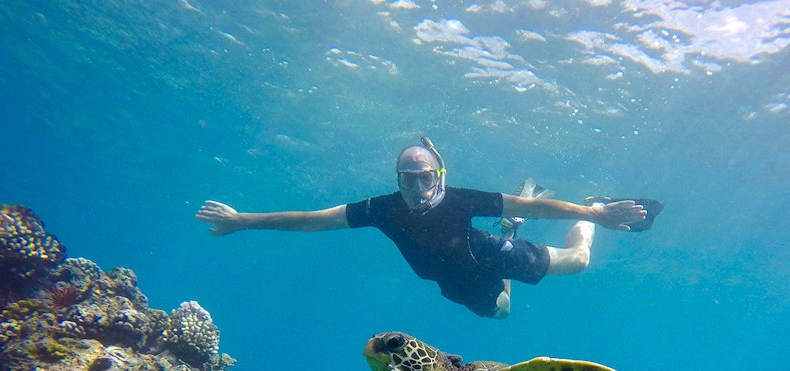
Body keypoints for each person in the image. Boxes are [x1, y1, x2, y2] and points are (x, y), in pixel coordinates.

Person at [195, 137, 658, 318]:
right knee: (500, 313)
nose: (417, 187)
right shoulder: (381, 208)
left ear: (440, 175)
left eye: (425, 177)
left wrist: (593, 214)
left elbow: (542, 207)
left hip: (492, 255)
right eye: (407, 179)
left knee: (577, 261)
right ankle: (512, 229)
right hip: (455, 283)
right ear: (398, 180)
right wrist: (242, 222)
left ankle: (533, 224)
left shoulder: (463, 199)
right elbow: (312, 222)